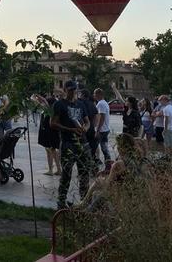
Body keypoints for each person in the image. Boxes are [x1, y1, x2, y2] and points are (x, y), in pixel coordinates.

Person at [51, 80, 91, 210]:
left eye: (75, 89)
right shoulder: (59, 104)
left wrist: (85, 127)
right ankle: (61, 202)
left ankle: (84, 202)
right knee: (66, 174)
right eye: (70, 90)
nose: (73, 92)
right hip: (68, 143)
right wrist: (70, 130)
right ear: (65, 90)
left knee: (84, 172)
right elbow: (53, 123)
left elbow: (87, 121)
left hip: (82, 142)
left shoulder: (80, 104)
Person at [32, 94, 61, 176]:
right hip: (49, 132)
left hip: (49, 133)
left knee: (50, 151)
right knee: (52, 151)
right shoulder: (50, 110)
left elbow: (43, 102)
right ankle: (57, 169)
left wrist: (38, 96)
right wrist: (38, 99)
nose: (43, 104)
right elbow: (41, 102)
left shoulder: (50, 110)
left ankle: (52, 170)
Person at [94, 88, 112, 169]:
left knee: (97, 147)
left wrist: (97, 130)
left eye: (95, 94)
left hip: (102, 130)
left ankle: (107, 166)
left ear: (99, 95)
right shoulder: (104, 103)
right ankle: (108, 165)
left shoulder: (101, 104)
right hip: (105, 129)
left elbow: (102, 117)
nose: (94, 95)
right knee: (104, 148)